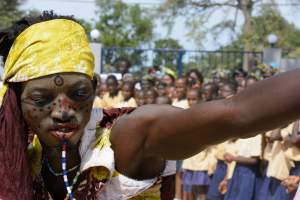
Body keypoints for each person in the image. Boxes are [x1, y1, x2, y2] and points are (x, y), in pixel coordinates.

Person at [3, 12, 300, 200]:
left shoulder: (127, 137)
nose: (63, 110)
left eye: (78, 93)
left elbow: (236, 113)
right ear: (15, 99)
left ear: (94, 89)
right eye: (41, 99)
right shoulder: (15, 151)